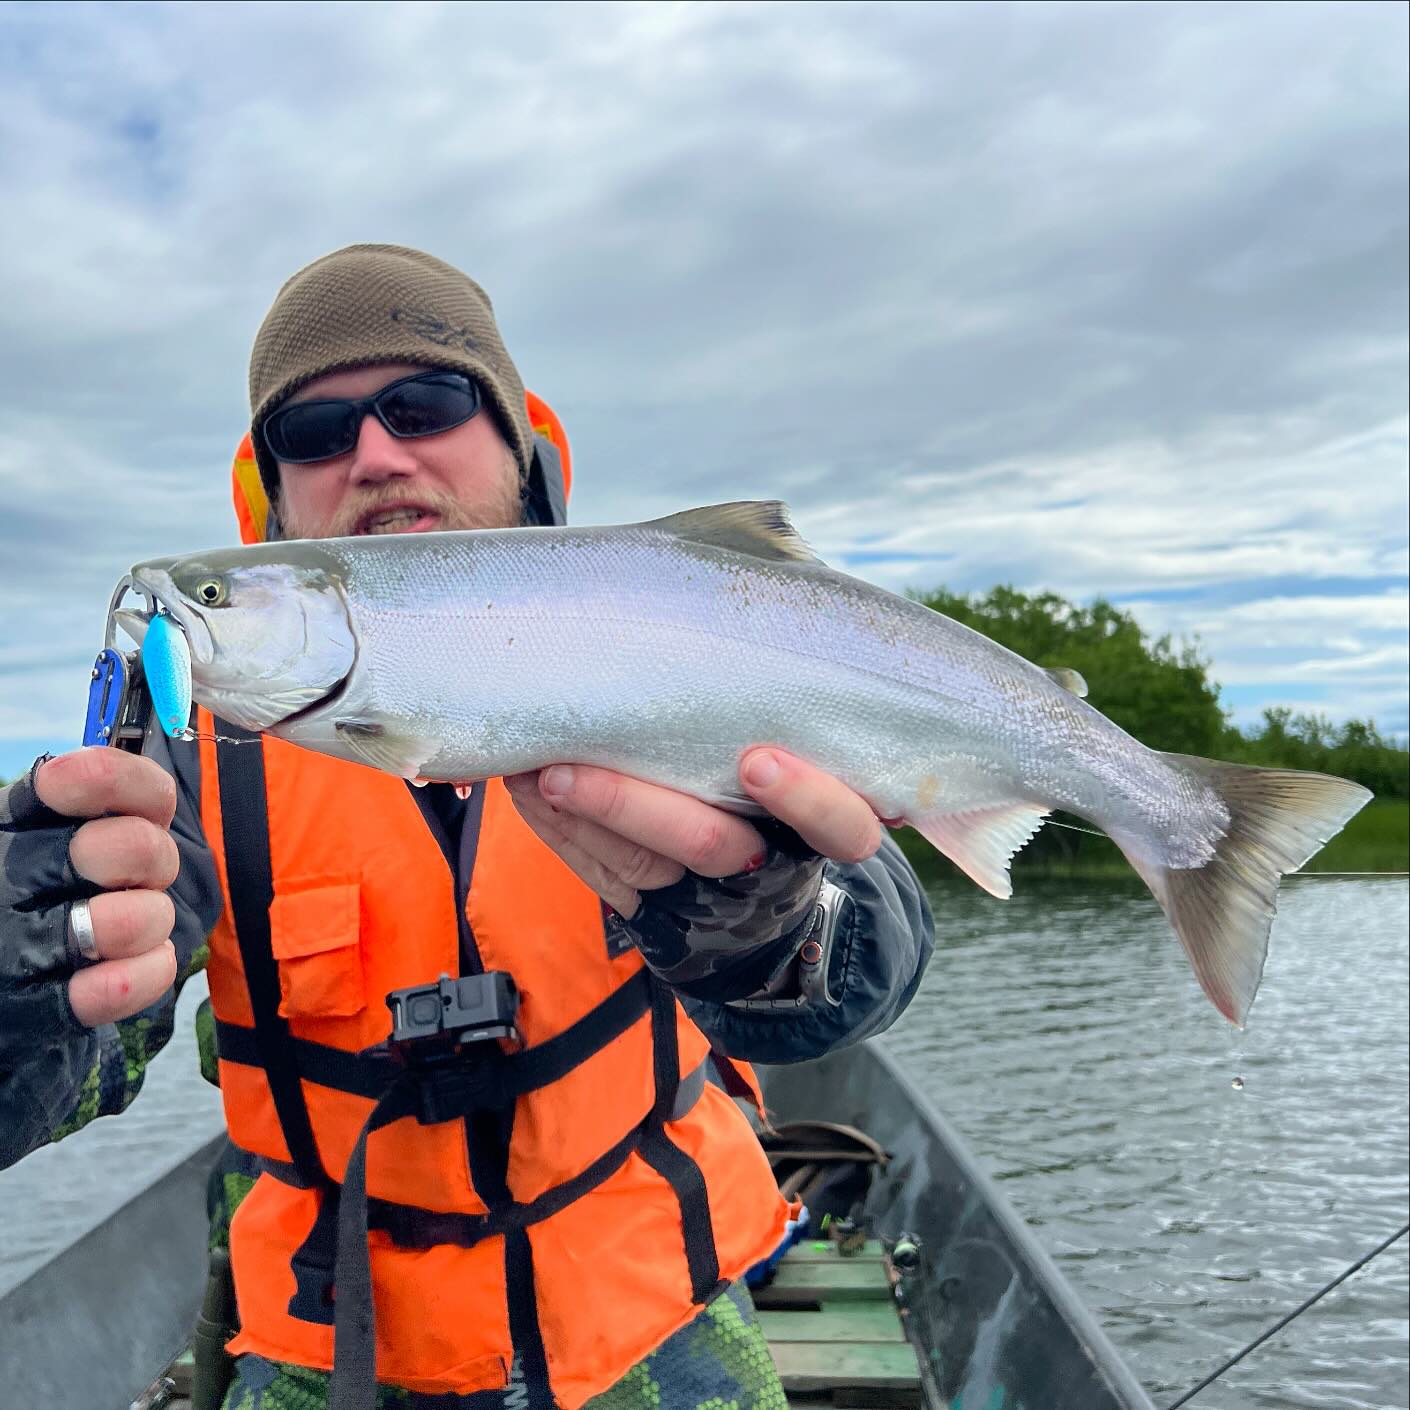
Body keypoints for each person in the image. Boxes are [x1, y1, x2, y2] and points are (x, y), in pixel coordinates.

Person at [0, 245, 934, 1410]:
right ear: (275, 500)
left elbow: (877, 963)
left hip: (661, 1313)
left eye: (426, 405)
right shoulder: (181, 770)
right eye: (315, 432)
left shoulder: (685, 662)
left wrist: (770, 923)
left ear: (520, 447)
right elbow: (59, 1073)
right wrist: (18, 989)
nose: (378, 454)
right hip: (329, 1347)